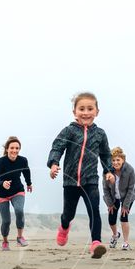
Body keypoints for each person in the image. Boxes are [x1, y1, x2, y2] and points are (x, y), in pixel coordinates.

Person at [47, 92, 115, 259]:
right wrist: (54, 163)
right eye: (81, 109)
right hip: (70, 181)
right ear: (74, 112)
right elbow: (57, 147)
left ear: (97, 112)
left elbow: (106, 154)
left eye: (90, 108)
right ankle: (64, 226)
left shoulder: (100, 134)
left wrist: (108, 171)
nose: (86, 112)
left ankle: (96, 243)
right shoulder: (69, 131)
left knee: (94, 210)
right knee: (69, 213)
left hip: (90, 180)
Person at [0, 136, 32, 250]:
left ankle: (20, 238)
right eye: (12, 148)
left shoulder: (22, 160)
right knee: (6, 221)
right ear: (7, 149)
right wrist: (2, 183)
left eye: (17, 148)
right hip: (1, 194)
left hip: (17, 190)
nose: (15, 150)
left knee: (19, 210)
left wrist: (29, 183)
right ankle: (5, 242)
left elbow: (26, 171)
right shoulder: (1, 162)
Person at [103, 147, 135, 250]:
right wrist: (110, 204)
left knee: (123, 216)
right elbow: (105, 190)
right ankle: (115, 235)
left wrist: (125, 206)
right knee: (111, 218)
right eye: (113, 160)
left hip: (127, 196)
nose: (115, 162)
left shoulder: (130, 170)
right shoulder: (107, 171)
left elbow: (131, 189)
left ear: (123, 160)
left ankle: (126, 243)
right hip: (113, 196)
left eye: (118, 160)